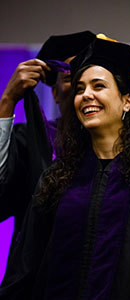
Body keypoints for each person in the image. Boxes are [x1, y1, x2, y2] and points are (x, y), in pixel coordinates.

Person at [1, 36, 130, 300]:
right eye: (80, 88)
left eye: (98, 86)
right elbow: (26, 267)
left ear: (127, 101)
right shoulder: (57, 178)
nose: (86, 95)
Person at [0, 31, 96, 250]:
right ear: (54, 93)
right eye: (71, 78)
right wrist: (7, 101)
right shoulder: (29, 140)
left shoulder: (125, 146)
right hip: (39, 275)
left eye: (93, 81)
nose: (83, 89)